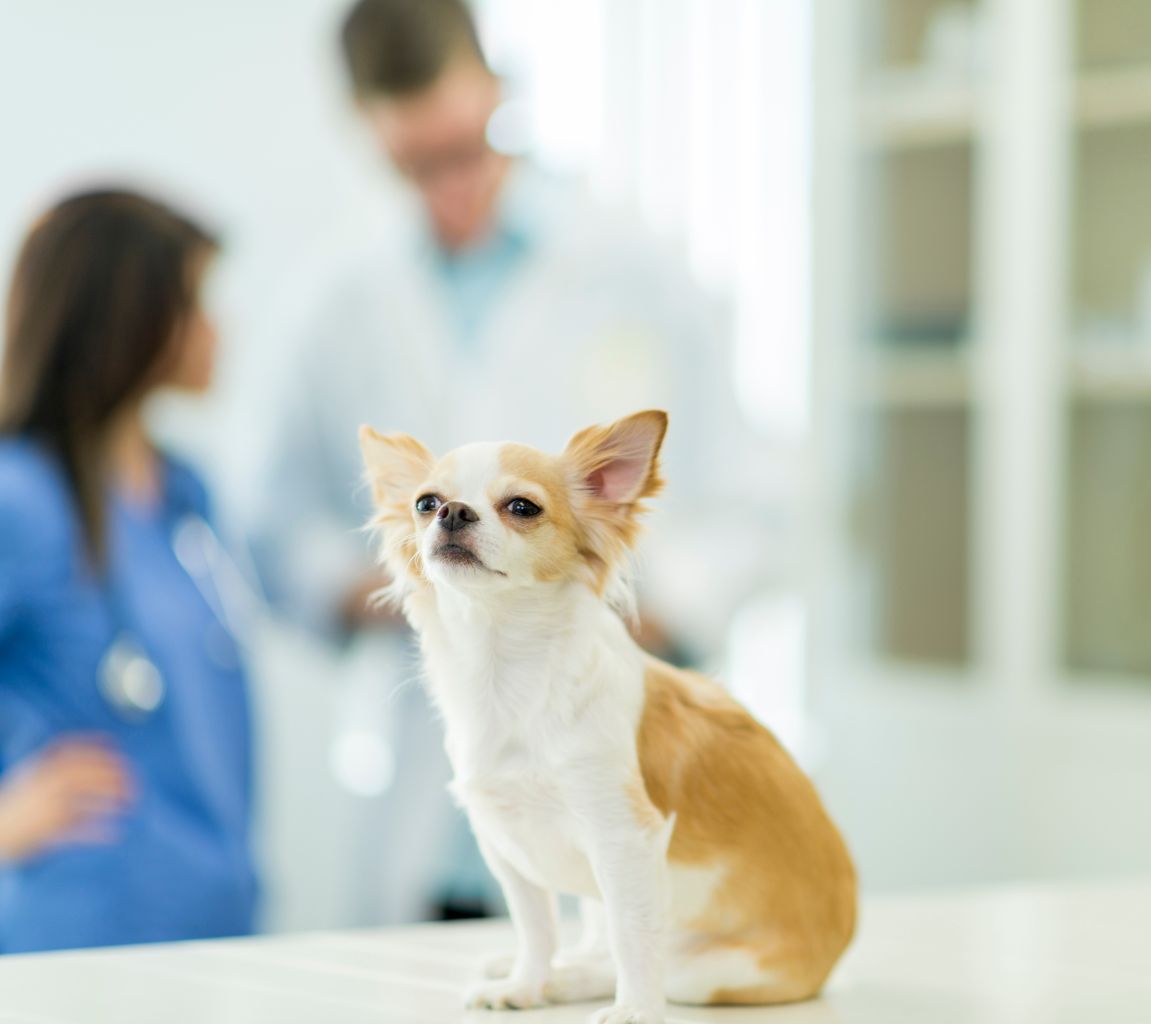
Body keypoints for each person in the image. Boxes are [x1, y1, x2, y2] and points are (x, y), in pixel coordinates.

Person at [242, 0, 748, 924]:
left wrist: (630, 598)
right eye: (413, 163)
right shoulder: (337, 299)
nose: (446, 185)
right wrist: (408, 576)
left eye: (462, 150)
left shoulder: (634, 267)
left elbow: (745, 500)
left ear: (496, 91)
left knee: (617, 948)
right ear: (366, 132)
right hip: (422, 775)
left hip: (609, 723)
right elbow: (276, 527)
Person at [0, 189, 258, 952]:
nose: (218, 329)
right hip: (79, 940)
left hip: (211, 930)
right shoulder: (22, 498)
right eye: (195, 302)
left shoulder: (186, 495)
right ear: (129, 316)